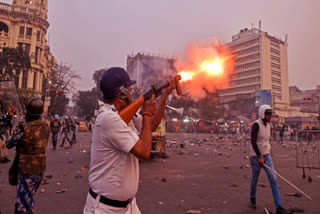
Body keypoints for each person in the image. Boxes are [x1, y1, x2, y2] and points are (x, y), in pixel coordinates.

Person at [83, 67, 176, 214]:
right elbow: (144, 152)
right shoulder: (108, 118)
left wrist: (164, 96)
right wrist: (146, 112)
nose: (132, 92)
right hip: (106, 209)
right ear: (121, 92)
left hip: (129, 206)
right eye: (129, 89)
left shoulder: (126, 116)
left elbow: (151, 126)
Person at [6, 96, 50, 214]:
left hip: (27, 169)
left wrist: (18, 128)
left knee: (23, 204)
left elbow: (9, 143)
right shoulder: (46, 125)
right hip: (40, 168)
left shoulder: (24, 128)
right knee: (28, 198)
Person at [249, 105, 290, 214]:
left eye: (270, 114)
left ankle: (278, 207)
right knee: (255, 179)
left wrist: (265, 154)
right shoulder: (256, 125)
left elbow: (265, 141)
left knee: (273, 179)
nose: (270, 116)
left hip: (267, 156)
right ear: (262, 114)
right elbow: (253, 142)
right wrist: (259, 156)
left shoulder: (269, 125)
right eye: (268, 114)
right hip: (255, 157)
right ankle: (252, 199)